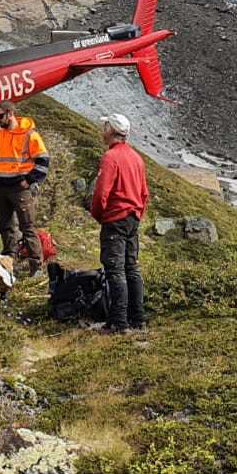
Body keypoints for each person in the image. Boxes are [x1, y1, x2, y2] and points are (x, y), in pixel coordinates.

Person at [88, 113, 149, 333]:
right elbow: (144, 193)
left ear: (111, 131)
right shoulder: (136, 157)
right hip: (132, 218)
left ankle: (118, 323)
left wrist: (99, 215)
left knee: (115, 270)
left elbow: (101, 193)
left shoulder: (111, 157)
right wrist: (138, 214)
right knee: (131, 267)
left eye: (105, 127)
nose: (102, 130)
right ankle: (138, 319)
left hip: (115, 219)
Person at [0, 101, 50, 276]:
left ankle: (36, 265)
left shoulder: (30, 134)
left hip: (20, 188)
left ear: (10, 113)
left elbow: (43, 160)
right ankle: (9, 260)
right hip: (1, 186)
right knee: (5, 226)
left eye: (0, 116)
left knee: (27, 226)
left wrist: (29, 180)